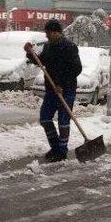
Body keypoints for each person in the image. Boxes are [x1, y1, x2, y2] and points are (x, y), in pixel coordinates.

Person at [24, 19, 82, 163]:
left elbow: (76, 68)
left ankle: (62, 151)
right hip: (51, 90)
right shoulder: (48, 46)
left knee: (63, 121)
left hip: (66, 90)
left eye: (49, 33)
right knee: (45, 118)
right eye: (46, 33)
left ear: (57, 32)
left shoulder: (69, 47)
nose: (47, 36)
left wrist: (62, 84)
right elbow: (41, 61)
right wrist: (30, 53)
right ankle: (55, 147)